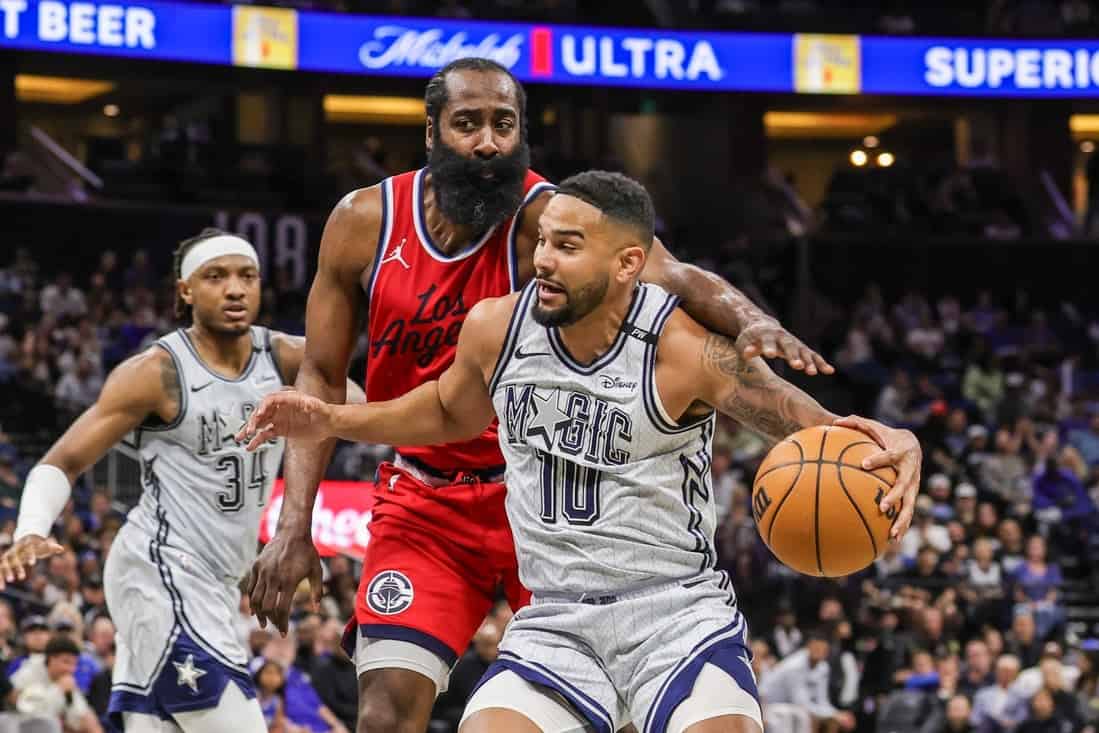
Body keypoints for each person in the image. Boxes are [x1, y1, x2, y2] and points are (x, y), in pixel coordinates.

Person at [247, 56, 838, 733]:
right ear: (432, 132)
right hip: (427, 496)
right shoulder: (362, 223)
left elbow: (669, 272)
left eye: (504, 124)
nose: (488, 142)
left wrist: (751, 317)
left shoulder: (552, 224)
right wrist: (295, 522)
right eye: (467, 124)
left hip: (539, 493)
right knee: (382, 711)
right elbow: (321, 373)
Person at [0, 229, 364, 732]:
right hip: (159, 568)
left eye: (247, 276)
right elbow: (62, 460)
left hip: (215, 583)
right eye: (216, 277)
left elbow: (373, 411)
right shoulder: (155, 372)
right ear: (185, 290)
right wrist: (31, 529)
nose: (235, 289)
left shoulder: (286, 358)